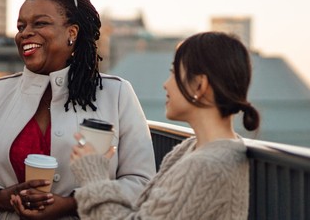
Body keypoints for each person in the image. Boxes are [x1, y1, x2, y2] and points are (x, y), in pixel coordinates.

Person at [0, 0, 155, 219]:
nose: (25, 33)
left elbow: (142, 183)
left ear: (72, 33)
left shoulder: (116, 94)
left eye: (40, 23)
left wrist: (73, 203)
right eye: (21, 26)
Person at [66, 31, 260, 220]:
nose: (166, 85)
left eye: (174, 73)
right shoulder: (193, 148)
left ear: (200, 86)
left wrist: (94, 176)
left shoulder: (207, 164)